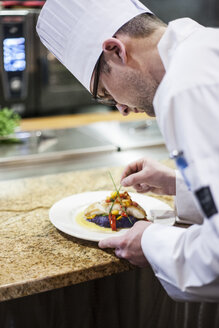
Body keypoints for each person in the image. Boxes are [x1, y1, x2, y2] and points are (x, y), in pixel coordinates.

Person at [37, 0, 219, 302]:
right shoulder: (204, 49)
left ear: (116, 50)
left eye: (106, 93)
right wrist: (180, 185)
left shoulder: (185, 87)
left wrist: (151, 241)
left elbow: (215, 257)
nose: (121, 109)